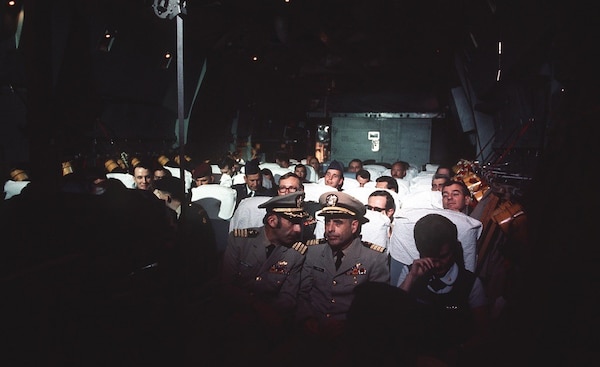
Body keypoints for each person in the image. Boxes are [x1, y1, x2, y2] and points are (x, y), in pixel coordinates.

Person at [292, 191, 389, 362]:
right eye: (328, 222)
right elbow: (302, 292)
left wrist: (348, 327)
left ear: (354, 226)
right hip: (311, 334)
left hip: (351, 340)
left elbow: (376, 309)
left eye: (337, 223)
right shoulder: (313, 252)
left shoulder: (374, 259)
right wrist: (307, 318)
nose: (330, 229)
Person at [216, 192, 311, 364]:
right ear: (272, 221)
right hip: (233, 316)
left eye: (300, 223)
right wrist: (255, 306)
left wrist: (268, 314)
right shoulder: (240, 240)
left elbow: (289, 297)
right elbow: (225, 285)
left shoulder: (296, 252)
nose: (298, 229)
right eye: (293, 223)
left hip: (270, 323)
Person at [396, 213, 490, 365]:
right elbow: (393, 314)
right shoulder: (410, 273)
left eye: (443, 257)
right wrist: (411, 278)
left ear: (453, 249)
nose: (438, 265)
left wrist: (459, 351)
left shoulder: (470, 283)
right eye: (430, 257)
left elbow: (483, 332)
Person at [153, 176, 218, 289]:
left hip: (193, 275)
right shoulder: (183, 211)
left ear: (167, 198)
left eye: (158, 195)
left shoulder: (191, 215)